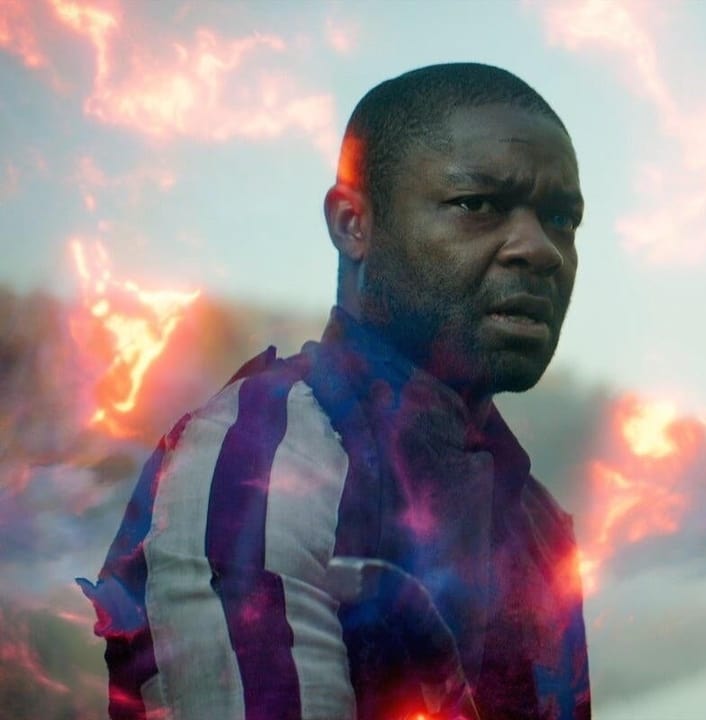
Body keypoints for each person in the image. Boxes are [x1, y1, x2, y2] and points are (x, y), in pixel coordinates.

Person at [79, 63, 591, 720]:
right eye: (477, 205)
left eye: (561, 218)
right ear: (353, 222)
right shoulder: (256, 464)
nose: (542, 250)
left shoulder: (539, 520)